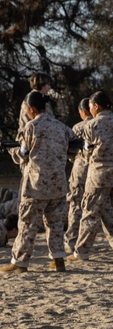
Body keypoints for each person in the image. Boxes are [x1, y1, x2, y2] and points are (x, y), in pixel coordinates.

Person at [2, 91, 73, 274]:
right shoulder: (61, 127)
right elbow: (73, 143)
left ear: (31, 109)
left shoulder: (31, 127)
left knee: (27, 223)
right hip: (58, 184)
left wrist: (11, 150)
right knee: (55, 223)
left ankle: (19, 262)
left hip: (36, 185)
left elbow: (22, 155)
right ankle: (58, 259)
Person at [70, 91, 113, 262]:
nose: (89, 110)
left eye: (90, 107)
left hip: (99, 176)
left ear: (96, 106)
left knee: (91, 214)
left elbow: (85, 153)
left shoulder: (90, 126)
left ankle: (82, 251)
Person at [64, 97, 92, 253]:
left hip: (80, 171)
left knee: (75, 205)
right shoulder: (99, 125)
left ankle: (71, 240)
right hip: (98, 172)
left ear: (82, 111)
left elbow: (70, 151)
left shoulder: (77, 127)